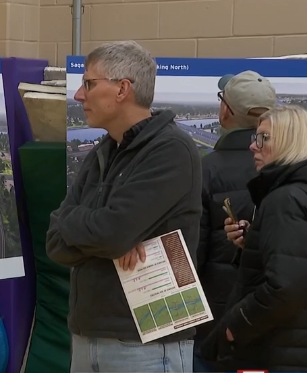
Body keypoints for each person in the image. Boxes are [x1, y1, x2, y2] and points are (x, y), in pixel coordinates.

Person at [45, 40, 202, 372]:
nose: (78, 95)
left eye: (89, 83)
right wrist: (103, 235)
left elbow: (112, 233)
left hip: (146, 345)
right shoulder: (101, 152)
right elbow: (56, 243)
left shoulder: (171, 151)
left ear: (122, 89)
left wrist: (94, 230)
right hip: (86, 339)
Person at [201, 105, 307, 372]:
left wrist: (234, 326)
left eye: (263, 138)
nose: (252, 147)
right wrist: (254, 242)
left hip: (277, 352)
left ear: (292, 141)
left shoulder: (286, 199)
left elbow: (286, 287)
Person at [193, 71, 275, 371]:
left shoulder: (205, 170)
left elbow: (193, 254)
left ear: (225, 111)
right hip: (273, 322)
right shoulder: (295, 169)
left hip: (215, 326)